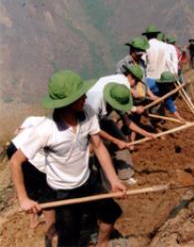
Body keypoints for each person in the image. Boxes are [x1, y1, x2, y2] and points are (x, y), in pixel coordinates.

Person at [10, 70, 126, 247]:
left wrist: (114, 180)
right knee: (68, 239)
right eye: (80, 96)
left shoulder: (88, 113)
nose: (86, 97)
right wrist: (23, 199)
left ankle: (102, 244)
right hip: (64, 191)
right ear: (68, 102)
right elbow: (15, 161)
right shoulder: (46, 130)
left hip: (88, 181)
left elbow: (99, 146)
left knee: (110, 213)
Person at [85, 74, 155, 180]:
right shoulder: (94, 103)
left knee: (122, 139)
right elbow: (94, 130)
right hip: (84, 124)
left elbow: (128, 122)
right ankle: (94, 176)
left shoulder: (116, 97)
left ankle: (126, 176)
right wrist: (115, 141)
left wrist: (146, 134)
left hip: (100, 119)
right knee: (93, 148)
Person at [7, 117, 57, 245]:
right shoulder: (57, 132)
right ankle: (52, 232)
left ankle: (33, 218)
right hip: (30, 159)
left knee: (28, 185)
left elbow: (19, 129)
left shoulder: (39, 119)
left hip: (14, 146)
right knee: (47, 193)